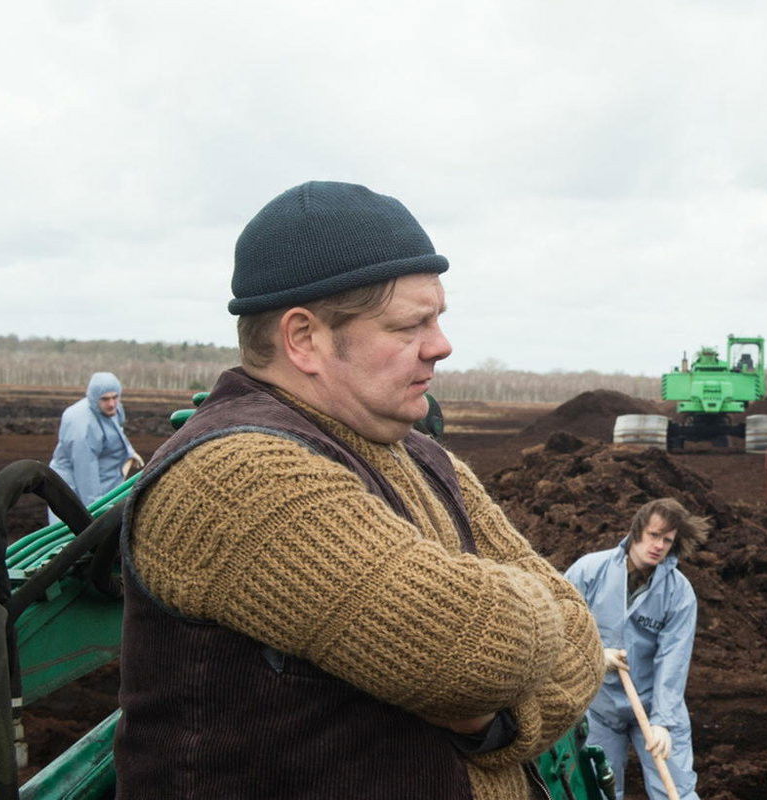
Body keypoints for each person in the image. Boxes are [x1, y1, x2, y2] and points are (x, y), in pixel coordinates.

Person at [114, 181, 602, 799]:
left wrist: (494, 722)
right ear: (304, 339)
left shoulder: (418, 453)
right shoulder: (236, 479)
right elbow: (481, 650)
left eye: (439, 319)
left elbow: (581, 640)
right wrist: (518, 632)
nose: (441, 345)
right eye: (409, 326)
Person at [564, 498, 707, 800]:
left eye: (667, 540)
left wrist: (663, 723)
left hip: (654, 704)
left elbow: (673, 659)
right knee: (596, 790)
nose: (659, 545)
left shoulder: (678, 593)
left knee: (675, 791)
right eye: (654, 535)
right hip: (599, 704)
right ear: (637, 531)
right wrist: (594, 655)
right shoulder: (590, 571)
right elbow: (562, 625)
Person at [48, 371, 141, 512]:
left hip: (105, 481)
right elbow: (85, 475)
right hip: (74, 488)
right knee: (75, 530)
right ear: (94, 398)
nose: (111, 404)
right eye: (105, 399)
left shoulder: (113, 409)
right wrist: (97, 511)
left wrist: (129, 452)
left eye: (115, 397)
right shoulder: (83, 428)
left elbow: (116, 430)